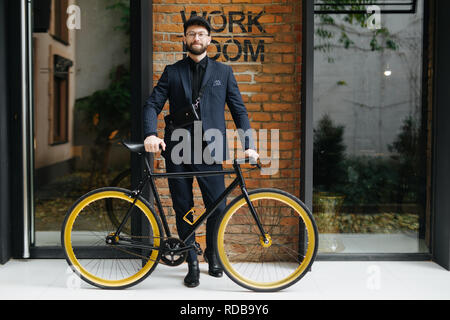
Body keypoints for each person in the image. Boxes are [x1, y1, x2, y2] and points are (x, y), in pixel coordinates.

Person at [143, 16, 259, 288]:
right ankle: (191, 260)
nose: (197, 38)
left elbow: (238, 111)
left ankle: (212, 253)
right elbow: (152, 105)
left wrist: (249, 146)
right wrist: (151, 133)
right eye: (192, 33)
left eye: (202, 34)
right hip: (178, 149)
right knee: (184, 206)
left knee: (217, 205)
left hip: (211, 149)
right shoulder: (172, 71)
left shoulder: (223, 72)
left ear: (209, 40)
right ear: (185, 39)